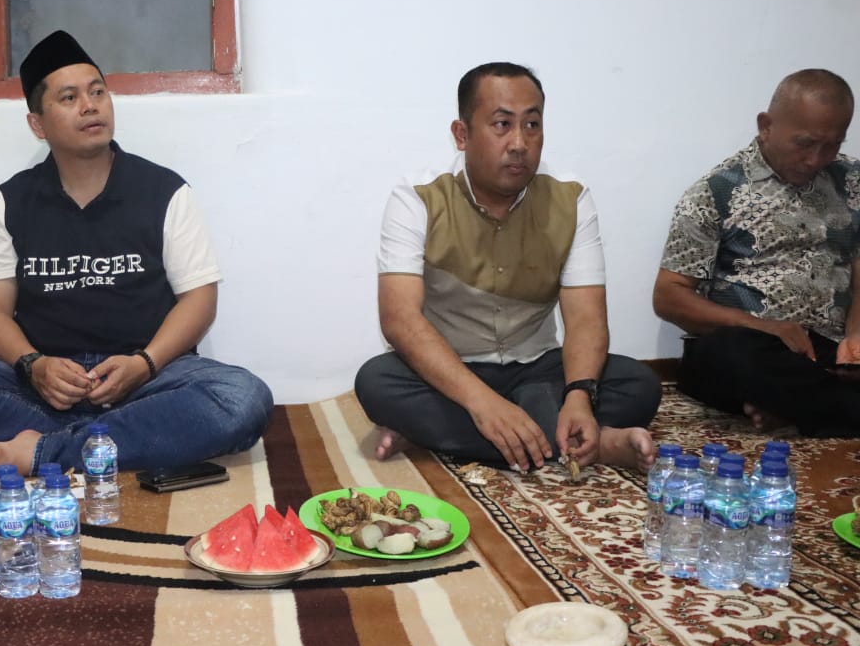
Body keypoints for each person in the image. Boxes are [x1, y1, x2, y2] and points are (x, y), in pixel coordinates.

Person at [0, 31, 272, 475]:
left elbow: (199, 300)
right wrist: (34, 366)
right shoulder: (13, 200)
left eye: (97, 92)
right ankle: (112, 439)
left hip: (147, 378)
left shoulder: (163, 190)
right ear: (38, 124)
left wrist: (144, 364)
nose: (90, 106)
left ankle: (42, 450)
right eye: (69, 98)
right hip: (42, 384)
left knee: (241, 398)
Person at [354, 62, 661, 473]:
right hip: (450, 372)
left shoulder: (570, 199)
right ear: (462, 135)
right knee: (376, 382)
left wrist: (578, 396)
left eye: (532, 125)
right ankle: (592, 443)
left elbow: (586, 319)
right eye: (502, 124)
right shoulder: (418, 198)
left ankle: (435, 433)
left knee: (639, 385)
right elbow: (400, 320)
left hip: (537, 367)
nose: (519, 142)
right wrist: (483, 403)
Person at [653, 69, 860, 438]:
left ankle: (795, 407)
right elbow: (668, 297)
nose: (816, 159)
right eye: (805, 144)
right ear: (766, 126)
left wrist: (856, 336)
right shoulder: (716, 191)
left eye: (831, 145)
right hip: (756, 345)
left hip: (831, 350)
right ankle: (818, 406)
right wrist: (765, 327)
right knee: (722, 356)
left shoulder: (851, 180)